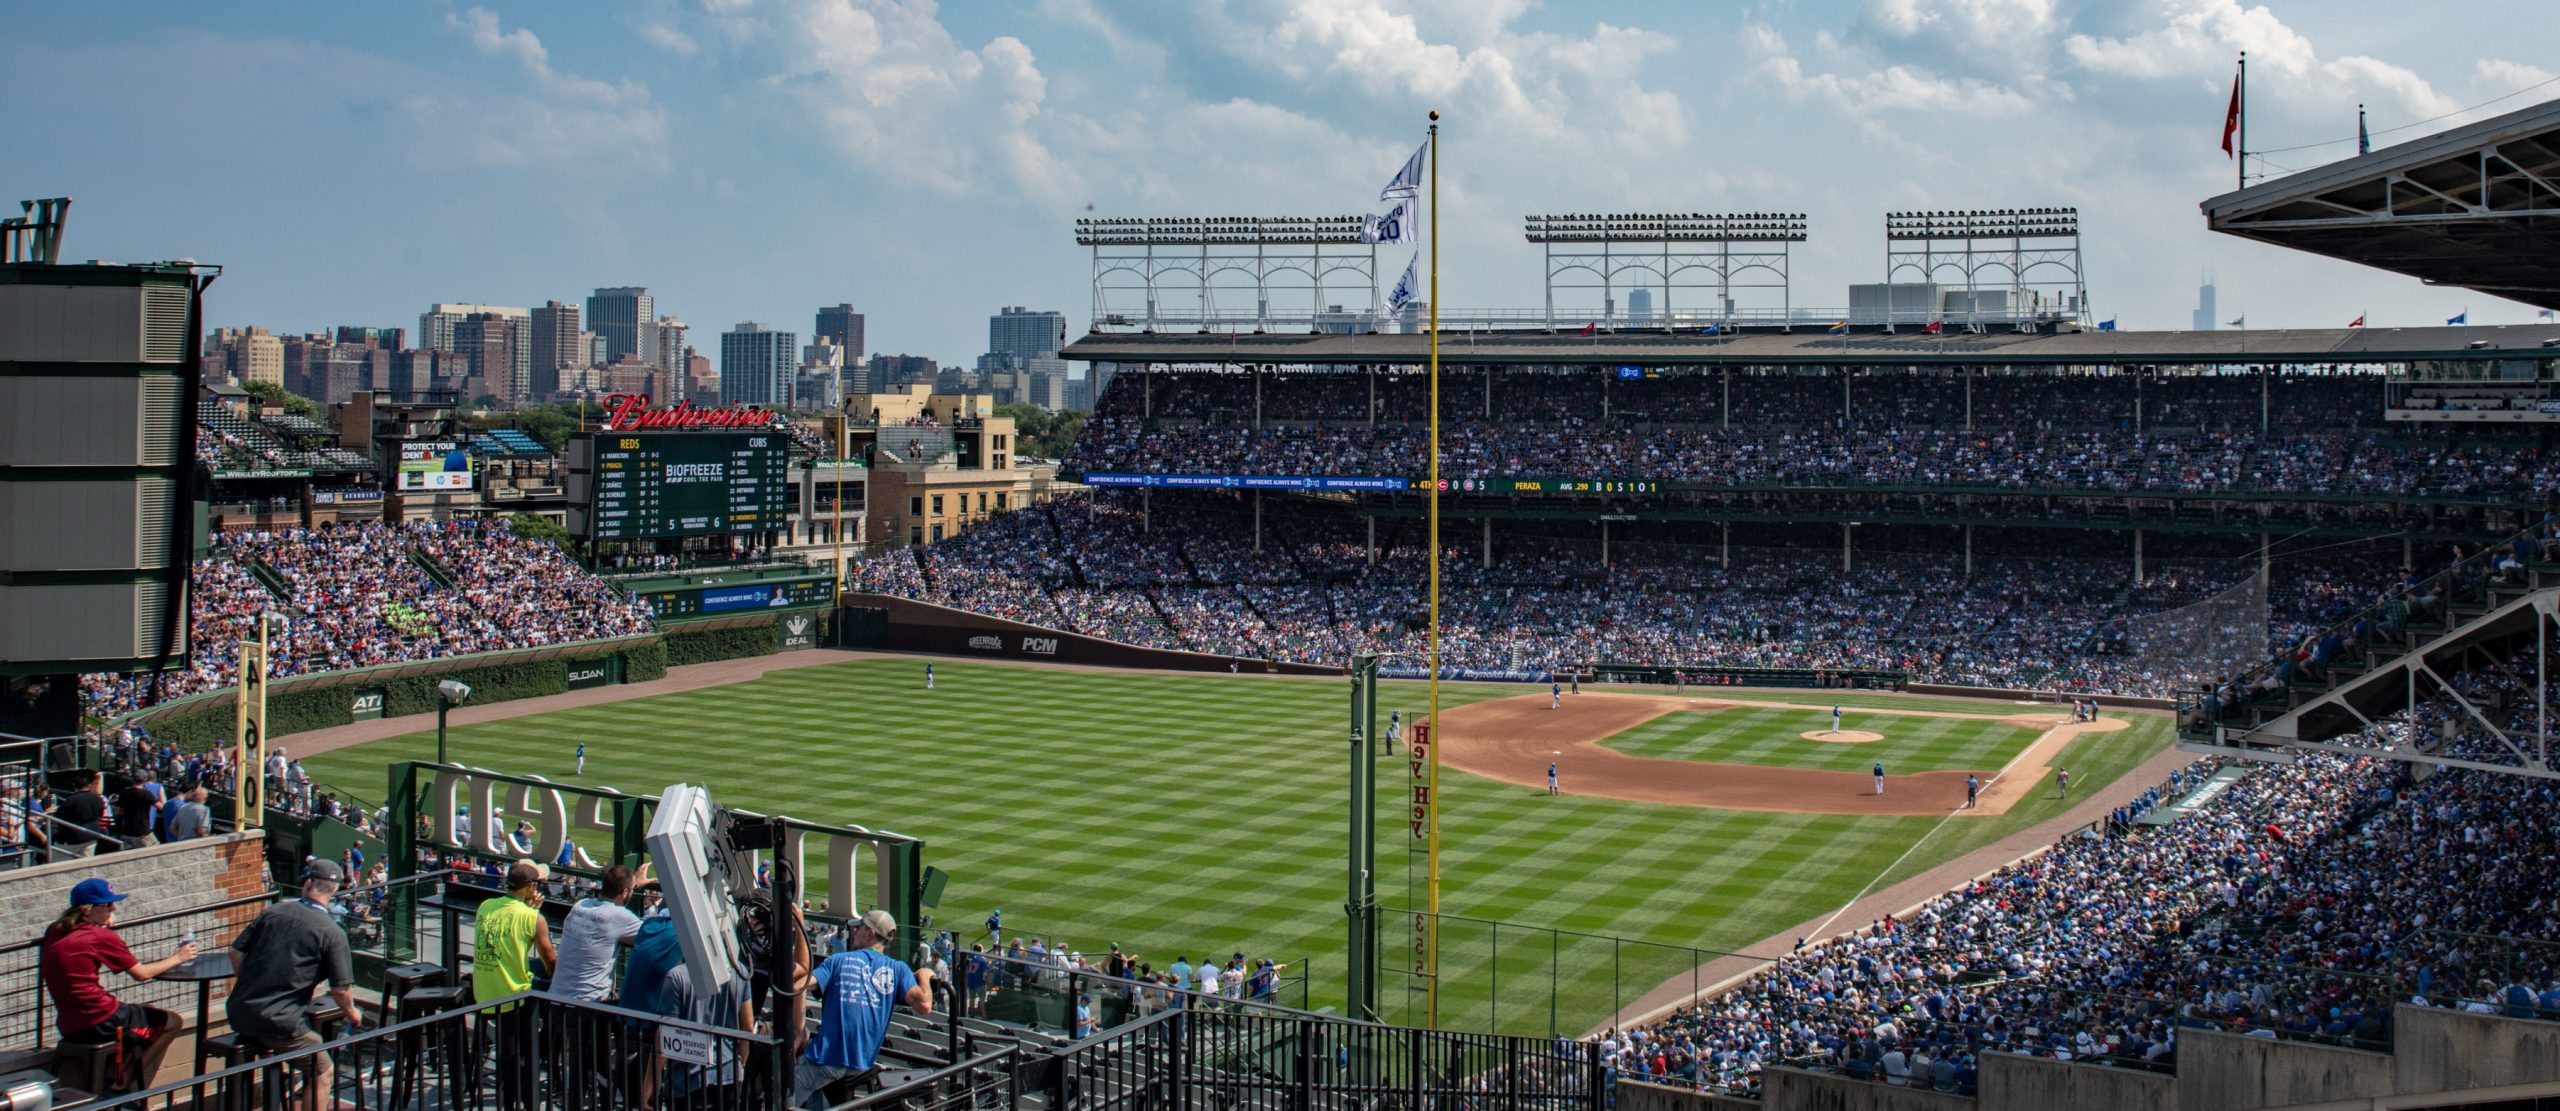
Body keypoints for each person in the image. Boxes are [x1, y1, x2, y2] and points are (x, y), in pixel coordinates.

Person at [227, 859, 361, 1111]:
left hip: (239, 1012)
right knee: (324, 1070)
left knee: (302, 1046)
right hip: (278, 1022)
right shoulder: (332, 933)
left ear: (307, 884)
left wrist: (248, 982)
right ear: (334, 892)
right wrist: (353, 1014)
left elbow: (234, 952)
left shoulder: (272, 912)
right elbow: (340, 990)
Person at [41, 878, 197, 1092]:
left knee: (147, 1011)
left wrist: (102, 919)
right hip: (100, 1020)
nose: (114, 908)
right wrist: (178, 958)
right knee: (172, 1021)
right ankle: (121, 1084)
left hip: (69, 1025)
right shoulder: (100, 937)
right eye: (108, 905)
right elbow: (141, 974)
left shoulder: (54, 930)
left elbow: (81, 927)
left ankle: (114, 1073)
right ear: (88, 909)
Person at [790, 908, 930, 1108]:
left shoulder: (837, 960)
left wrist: (799, 1032)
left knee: (779, 1101)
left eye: (858, 929)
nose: (854, 933)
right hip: (862, 1063)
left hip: (825, 1059)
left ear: (870, 933)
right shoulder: (898, 969)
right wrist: (924, 975)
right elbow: (924, 1005)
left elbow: (798, 987)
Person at [474, 860, 556, 1111]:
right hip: (513, 998)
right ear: (531, 886)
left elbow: (509, 931)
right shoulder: (533, 917)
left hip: (483, 994)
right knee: (519, 1060)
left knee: (513, 1059)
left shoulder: (486, 906)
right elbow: (549, 957)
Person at [551, 864, 643, 1002]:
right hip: (589, 1005)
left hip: (555, 998)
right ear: (624, 892)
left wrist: (631, 886)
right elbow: (657, 935)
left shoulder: (581, 905)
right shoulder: (620, 916)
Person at [52, 770, 106, 859]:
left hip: (72, 838)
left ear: (75, 787)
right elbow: (99, 817)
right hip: (92, 834)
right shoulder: (97, 798)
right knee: (87, 863)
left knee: (56, 861)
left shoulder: (70, 801)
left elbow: (58, 820)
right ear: (89, 785)